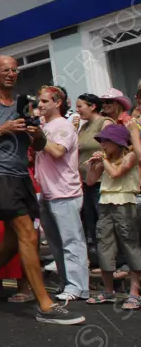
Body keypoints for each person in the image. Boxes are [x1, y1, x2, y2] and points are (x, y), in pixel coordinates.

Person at [0, 56, 83, 325]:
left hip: (21, 176)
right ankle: (45, 305)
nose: (11, 74)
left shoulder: (24, 101)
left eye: (15, 70)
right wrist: (2, 128)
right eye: (5, 70)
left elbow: (38, 146)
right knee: (28, 233)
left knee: (14, 239)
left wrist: (35, 133)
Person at [34, 86, 89, 302]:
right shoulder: (46, 126)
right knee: (56, 244)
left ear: (58, 103)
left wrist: (39, 137)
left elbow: (57, 151)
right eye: (40, 101)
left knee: (71, 241)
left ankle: (78, 287)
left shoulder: (64, 126)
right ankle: (67, 283)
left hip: (65, 192)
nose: (40, 105)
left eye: (45, 101)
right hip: (47, 193)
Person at [84, 124, 140, 309]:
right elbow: (91, 180)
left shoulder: (130, 156)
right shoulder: (105, 159)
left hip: (125, 204)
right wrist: (93, 164)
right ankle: (108, 291)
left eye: (106, 141)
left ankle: (134, 293)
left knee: (130, 246)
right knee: (105, 245)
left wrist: (104, 161)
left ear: (118, 142)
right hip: (106, 204)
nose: (102, 145)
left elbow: (116, 174)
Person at [75, 93, 114, 260]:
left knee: (105, 221)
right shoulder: (83, 128)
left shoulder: (104, 122)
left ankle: (115, 260)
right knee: (91, 222)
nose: (77, 110)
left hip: (102, 181)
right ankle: (100, 260)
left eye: (80, 106)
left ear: (92, 106)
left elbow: (112, 148)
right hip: (86, 182)